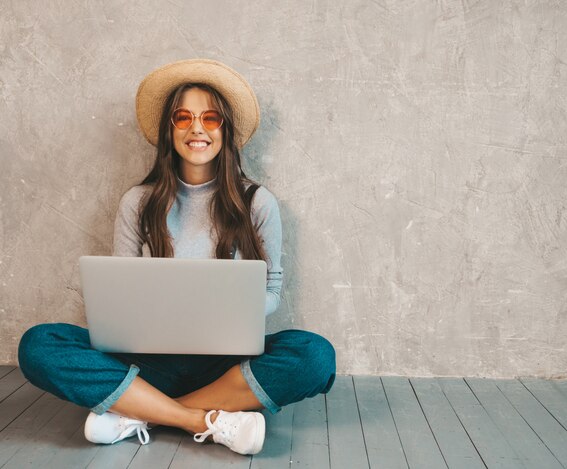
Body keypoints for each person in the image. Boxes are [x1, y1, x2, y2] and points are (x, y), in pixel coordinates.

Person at [17, 59, 336, 455]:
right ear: (169, 131)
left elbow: (271, 291)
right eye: (182, 117)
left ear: (226, 130)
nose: (196, 128)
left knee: (315, 356)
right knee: (39, 344)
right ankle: (206, 420)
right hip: (147, 364)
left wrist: (224, 310)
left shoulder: (258, 203)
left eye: (211, 118)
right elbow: (120, 295)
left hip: (225, 365)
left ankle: (139, 412)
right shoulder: (138, 202)